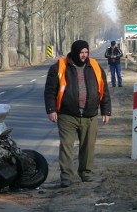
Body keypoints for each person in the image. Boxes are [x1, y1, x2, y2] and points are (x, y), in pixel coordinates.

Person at [44, 40, 111, 188]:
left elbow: (103, 89)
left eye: (86, 52)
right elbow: (50, 91)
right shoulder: (59, 67)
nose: (84, 55)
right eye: (81, 52)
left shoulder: (94, 66)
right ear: (75, 52)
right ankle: (66, 177)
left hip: (90, 114)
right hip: (67, 115)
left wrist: (106, 111)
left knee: (88, 146)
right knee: (67, 146)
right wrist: (51, 110)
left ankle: (86, 173)